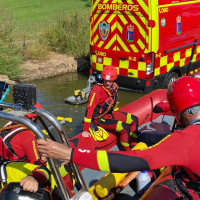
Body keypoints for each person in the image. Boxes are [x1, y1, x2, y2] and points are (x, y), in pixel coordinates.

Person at [38, 76, 200, 199]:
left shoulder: (185, 141)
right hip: (101, 120)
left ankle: (130, 144)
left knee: (126, 127)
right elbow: (90, 112)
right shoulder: (98, 90)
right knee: (127, 126)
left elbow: (133, 160)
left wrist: (70, 154)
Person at [0, 102, 73, 198]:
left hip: (7, 168)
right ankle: (68, 195)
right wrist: (45, 158)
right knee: (65, 168)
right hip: (22, 173)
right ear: (34, 118)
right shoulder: (27, 137)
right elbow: (38, 166)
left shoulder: (9, 125)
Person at [82, 65, 138, 150]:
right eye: (106, 81)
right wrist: (85, 130)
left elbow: (109, 100)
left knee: (134, 119)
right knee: (124, 127)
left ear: (114, 80)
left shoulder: (113, 87)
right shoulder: (96, 90)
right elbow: (90, 109)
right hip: (99, 119)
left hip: (109, 114)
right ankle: (128, 151)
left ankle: (134, 143)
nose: (108, 83)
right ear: (103, 79)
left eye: (110, 81)